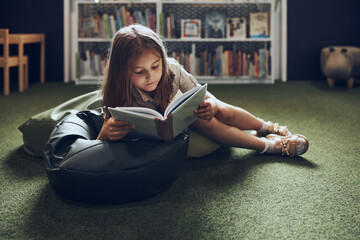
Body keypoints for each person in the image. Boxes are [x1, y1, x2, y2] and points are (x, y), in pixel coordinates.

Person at [97, 24, 309, 157]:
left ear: (162, 59)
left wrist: (213, 105)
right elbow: (101, 138)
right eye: (139, 71)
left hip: (183, 116)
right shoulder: (116, 90)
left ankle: (267, 130)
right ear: (123, 71)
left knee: (216, 113)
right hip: (159, 138)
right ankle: (267, 144)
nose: (150, 76)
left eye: (155, 66)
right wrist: (105, 133)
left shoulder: (171, 69)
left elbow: (204, 96)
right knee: (205, 121)